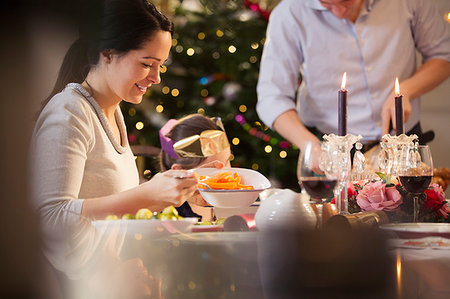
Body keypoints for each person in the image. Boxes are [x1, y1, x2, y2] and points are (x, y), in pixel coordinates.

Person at [30, 0, 199, 227]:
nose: (157, 78)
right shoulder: (70, 112)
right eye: (147, 64)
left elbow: (108, 206)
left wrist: (164, 193)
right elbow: (51, 216)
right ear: (108, 53)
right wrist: (148, 195)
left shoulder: (111, 112)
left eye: (161, 65)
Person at [256, 0, 450, 153]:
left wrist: (407, 90)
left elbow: (444, 53)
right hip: (332, 149)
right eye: (326, 4)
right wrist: (310, 146)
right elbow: (272, 97)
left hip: (402, 143)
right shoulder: (289, 13)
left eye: (347, 1)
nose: (339, 13)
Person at [159, 114, 232, 221]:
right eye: (213, 169)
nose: (227, 175)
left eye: (227, 162)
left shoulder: (220, 205)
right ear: (179, 172)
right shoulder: (169, 218)